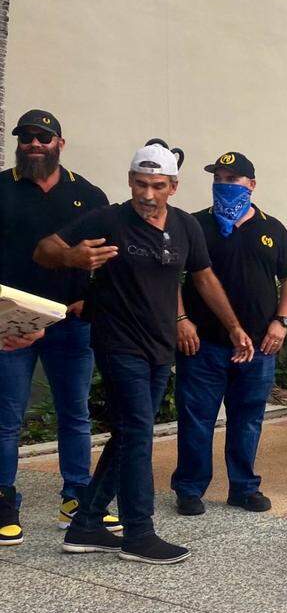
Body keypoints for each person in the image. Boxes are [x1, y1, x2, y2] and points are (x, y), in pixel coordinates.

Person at [35, 143, 253, 564]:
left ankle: (86, 525)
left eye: (157, 186)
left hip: (159, 346)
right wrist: (71, 256)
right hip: (118, 343)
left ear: (173, 186)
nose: (147, 194)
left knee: (129, 435)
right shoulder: (110, 219)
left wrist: (233, 327)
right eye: (139, 183)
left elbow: (204, 279)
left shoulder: (187, 227)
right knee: (137, 434)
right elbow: (44, 248)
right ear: (130, 181)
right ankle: (139, 533)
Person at [0, 109, 113, 547]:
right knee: (7, 419)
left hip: (71, 322)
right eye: (26, 137)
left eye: (43, 137)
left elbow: (107, 259)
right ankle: (4, 497)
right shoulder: (2, 187)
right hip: (11, 324)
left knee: (75, 413)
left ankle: (76, 495)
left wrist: (91, 299)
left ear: (60, 144)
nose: (34, 144)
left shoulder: (87, 193)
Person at [171, 152, 287, 516]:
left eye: (233, 179)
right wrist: (181, 318)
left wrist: (282, 321)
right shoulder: (195, 225)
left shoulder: (272, 229)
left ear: (252, 185)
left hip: (259, 347)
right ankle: (189, 488)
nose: (224, 185)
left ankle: (243, 487)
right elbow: (171, 277)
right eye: (219, 179)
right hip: (204, 345)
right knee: (196, 419)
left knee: (248, 420)